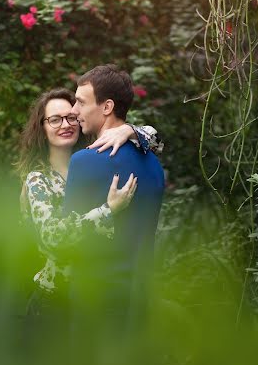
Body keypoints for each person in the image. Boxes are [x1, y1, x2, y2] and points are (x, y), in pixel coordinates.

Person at [17, 87, 162, 325]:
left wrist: (128, 130)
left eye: (71, 117)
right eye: (55, 120)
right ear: (41, 128)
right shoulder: (38, 179)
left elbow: (157, 143)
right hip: (54, 302)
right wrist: (107, 210)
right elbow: (52, 236)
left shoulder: (94, 159)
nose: (65, 124)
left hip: (91, 299)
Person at [64, 65, 165, 326]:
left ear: (107, 107)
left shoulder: (84, 161)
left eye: (81, 102)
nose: (74, 111)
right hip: (139, 301)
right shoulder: (153, 163)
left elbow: (65, 238)